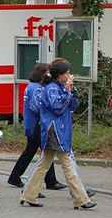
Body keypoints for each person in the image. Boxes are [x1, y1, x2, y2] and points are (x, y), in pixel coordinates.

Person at [19, 59, 96, 209]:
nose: (69, 75)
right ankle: (81, 199)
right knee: (67, 164)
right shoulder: (51, 88)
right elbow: (57, 107)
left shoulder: (60, 87)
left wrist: (71, 91)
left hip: (59, 129)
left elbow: (73, 105)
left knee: (43, 164)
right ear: (59, 75)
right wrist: (67, 92)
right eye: (66, 73)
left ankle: (28, 195)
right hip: (54, 130)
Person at [8, 63, 66, 191]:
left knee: (32, 152)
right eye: (48, 73)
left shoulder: (33, 86)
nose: (50, 75)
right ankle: (49, 181)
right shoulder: (37, 88)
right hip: (37, 125)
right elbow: (37, 106)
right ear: (42, 74)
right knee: (46, 152)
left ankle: (16, 177)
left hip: (32, 125)